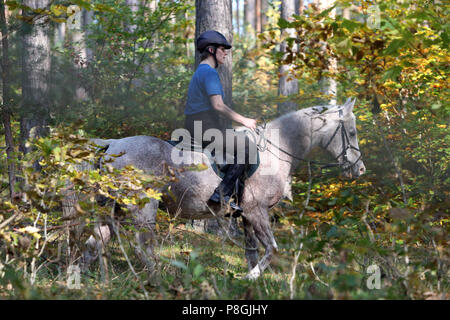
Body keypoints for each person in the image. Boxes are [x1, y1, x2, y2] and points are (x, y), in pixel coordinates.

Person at [184, 30, 257, 213]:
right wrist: (245, 120)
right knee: (248, 148)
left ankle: (233, 196)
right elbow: (218, 106)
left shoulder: (201, 72)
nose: (225, 53)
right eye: (222, 49)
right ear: (211, 50)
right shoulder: (209, 73)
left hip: (197, 126)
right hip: (205, 128)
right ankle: (222, 194)